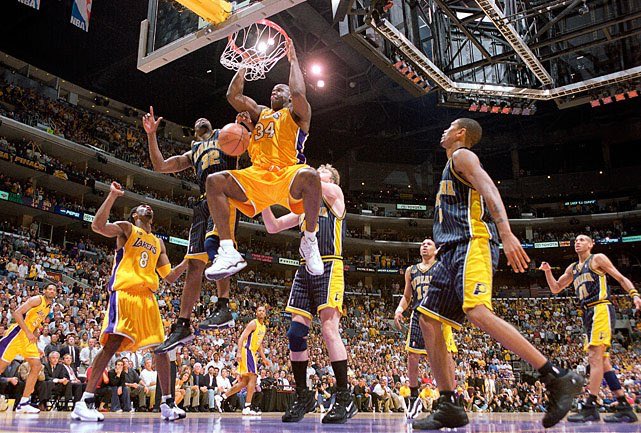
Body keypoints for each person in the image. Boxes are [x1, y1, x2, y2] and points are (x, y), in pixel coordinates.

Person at [413, 118, 582, 430]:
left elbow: (489, 187)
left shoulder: (462, 156)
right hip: (449, 252)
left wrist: (505, 232)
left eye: (449, 126)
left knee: (477, 311)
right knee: (428, 320)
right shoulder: (450, 166)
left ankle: (556, 376)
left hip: (471, 243)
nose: (443, 130)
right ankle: (449, 404)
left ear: (461, 133)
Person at [204, 42, 323, 282]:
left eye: (280, 90)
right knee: (214, 181)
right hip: (257, 176)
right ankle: (228, 250)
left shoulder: (298, 114)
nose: (274, 92)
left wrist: (293, 60)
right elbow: (233, 96)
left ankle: (309, 240)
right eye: (273, 90)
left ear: (289, 97)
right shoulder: (260, 113)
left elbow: (299, 94)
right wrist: (244, 65)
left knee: (311, 176)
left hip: (287, 174)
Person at [71, 182, 187, 422]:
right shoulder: (127, 228)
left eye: (149, 206)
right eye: (141, 206)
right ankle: (85, 401)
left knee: (162, 349)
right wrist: (113, 196)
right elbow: (97, 226)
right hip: (125, 293)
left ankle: (167, 403)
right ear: (135, 215)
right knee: (112, 344)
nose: (147, 207)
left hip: (148, 298)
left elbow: (169, 276)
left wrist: (189, 260)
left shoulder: (158, 243)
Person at [261, 164, 356, 424]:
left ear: (331, 180)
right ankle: (303, 395)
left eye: (320, 175)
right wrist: (262, 198)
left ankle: (345, 397)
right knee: (295, 333)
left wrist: (280, 177)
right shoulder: (304, 210)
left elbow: (310, 184)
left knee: (329, 329)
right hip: (305, 270)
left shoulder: (335, 196)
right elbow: (273, 226)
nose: (314, 176)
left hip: (330, 265)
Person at [143, 108, 241, 353]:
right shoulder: (193, 151)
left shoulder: (226, 135)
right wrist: (152, 135)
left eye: (204, 117)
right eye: (196, 119)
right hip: (201, 205)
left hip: (224, 197)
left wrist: (244, 124)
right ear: (194, 133)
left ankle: (223, 305)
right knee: (195, 266)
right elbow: (160, 165)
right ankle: (182, 324)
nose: (200, 118)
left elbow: (245, 140)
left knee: (218, 249)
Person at [540, 234, 640, 423]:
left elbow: (620, 277)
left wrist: (634, 294)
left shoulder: (597, 259)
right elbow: (555, 288)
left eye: (582, 240)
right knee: (603, 362)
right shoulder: (573, 268)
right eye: (576, 240)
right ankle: (624, 406)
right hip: (587, 314)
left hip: (600, 308)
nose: (577, 242)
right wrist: (547, 271)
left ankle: (590, 407)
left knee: (594, 358)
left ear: (591, 244)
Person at [394, 238, 457, 420]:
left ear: (436, 250)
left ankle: (450, 397)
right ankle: (414, 398)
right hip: (418, 314)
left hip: (438, 314)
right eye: (422, 244)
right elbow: (407, 296)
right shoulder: (411, 270)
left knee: (445, 357)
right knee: (412, 356)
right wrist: (399, 309)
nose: (424, 246)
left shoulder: (442, 267)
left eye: (428, 244)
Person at [0, 283, 55, 413]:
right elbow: (17, 313)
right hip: (16, 336)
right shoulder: (37, 299)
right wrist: (28, 332)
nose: (52, 291)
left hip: (28, 340)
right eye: (49, 289)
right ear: (44, 291)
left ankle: (24, 402)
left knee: (37, 366)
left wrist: (36, 344)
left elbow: (35, 326)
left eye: (54, 290)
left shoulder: (48, 308)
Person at [215, 305, 269, 415]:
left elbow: (259, 345)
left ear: (265, 313)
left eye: (263, 311)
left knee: (244, 382)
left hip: (252, 353)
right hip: (247, 351)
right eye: (259, 310)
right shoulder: (253, 323)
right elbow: (242, 337)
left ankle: (221, 397)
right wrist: (239, 352)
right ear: (256, 313)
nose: (261, 312)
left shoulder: (263, 327)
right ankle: (247, 407)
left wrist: (264, 358)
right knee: (253, 377)